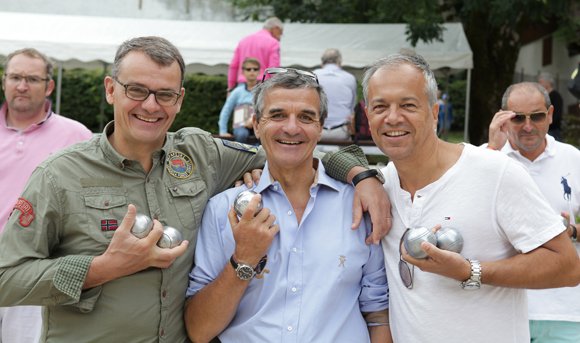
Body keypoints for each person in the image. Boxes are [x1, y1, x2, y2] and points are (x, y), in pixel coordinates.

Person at [0, 37, 391, 343]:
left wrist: (360, 173)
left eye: (165, 94)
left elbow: (290, 148)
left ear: (180, 99)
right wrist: (102, 268)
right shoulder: (59, 174)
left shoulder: (202, 155)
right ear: (110, 90)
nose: (151, 106)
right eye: (136, 90)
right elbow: (6, 278)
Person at [358, 53, 580, 342]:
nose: (393, 117)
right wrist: (359, 175)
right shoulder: (378, 187)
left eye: (408, 105)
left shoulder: (495, 172)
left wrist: (471, 271)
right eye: (380, 106)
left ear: (435, 112)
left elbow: (567, 267)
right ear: (367, 116)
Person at [184, 69, 391, 343]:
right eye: (278, 115)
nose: (292, 128)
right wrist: (244, 260)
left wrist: (364, 177)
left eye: (306, 117)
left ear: (321, 126)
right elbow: (199, 331)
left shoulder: (359, 204)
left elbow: (378, 314)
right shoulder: (222, 209)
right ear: (256, 125)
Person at [0, 48, 93, 343]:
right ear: (4, 81)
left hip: (34, 267)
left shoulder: (77, 137)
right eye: (15, 77)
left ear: (49, 86)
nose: (22, 86)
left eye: (32, 78)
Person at [488, 81, 580, 343]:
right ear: (503, 118)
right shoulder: (486, 159)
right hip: (502, 308)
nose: (528, 126)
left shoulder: (573, 159)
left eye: (537, 116)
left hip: (564, 311)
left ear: (550, 115)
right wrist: (492, 149)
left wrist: (571, 231)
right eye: (518, 118)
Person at [227, 17, 282, 94]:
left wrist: (230, 89)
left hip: (242, 87)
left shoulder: (243, 40)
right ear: (276, 29)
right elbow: (273, 69)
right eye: (281, 33)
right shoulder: (274, 43)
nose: (279, 38)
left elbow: (233, 65)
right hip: (262, 88)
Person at [313, 49, 357, 140]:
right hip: (342, 131)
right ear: (339, 63)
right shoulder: (350, 78)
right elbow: (352, 107)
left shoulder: (313, 76)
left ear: (322, 63)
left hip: (317, 130)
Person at [218, 57, 260, 143]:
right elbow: (225, 111)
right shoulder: (236, 92)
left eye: (255, 69)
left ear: (259, 71)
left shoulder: (264, 91)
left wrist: (253, 119)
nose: (252, 71)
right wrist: (223, 132)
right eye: (248, 69)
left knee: (264, 135)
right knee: (241, 134)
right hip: (241, 127)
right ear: (243, 72)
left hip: (259, 125)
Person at [537, 72, 563, 141]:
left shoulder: (556, 97)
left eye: (541, 82)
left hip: (553, 131)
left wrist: (547, 125)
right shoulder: (540, 96)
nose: (538, 84)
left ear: (548, 83)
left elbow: (557, 115)